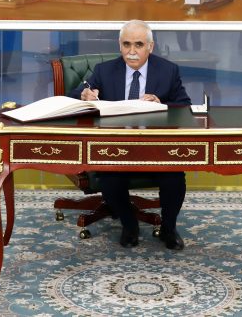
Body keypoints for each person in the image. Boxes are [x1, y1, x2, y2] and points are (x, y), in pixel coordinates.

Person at [70, 20, 192, 250]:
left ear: (150, 47)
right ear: (120, 45)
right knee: (109, 177)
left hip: (156, 148)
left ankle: (169, 228)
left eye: (139, 44)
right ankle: (129, 224)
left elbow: (184, 106)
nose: (132, 51)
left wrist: (161, 103)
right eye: (126, 44)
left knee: (175, 177)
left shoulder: (168, 70)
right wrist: (84, 95)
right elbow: (76, 95)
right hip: (117, 147)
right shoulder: (105, 70)